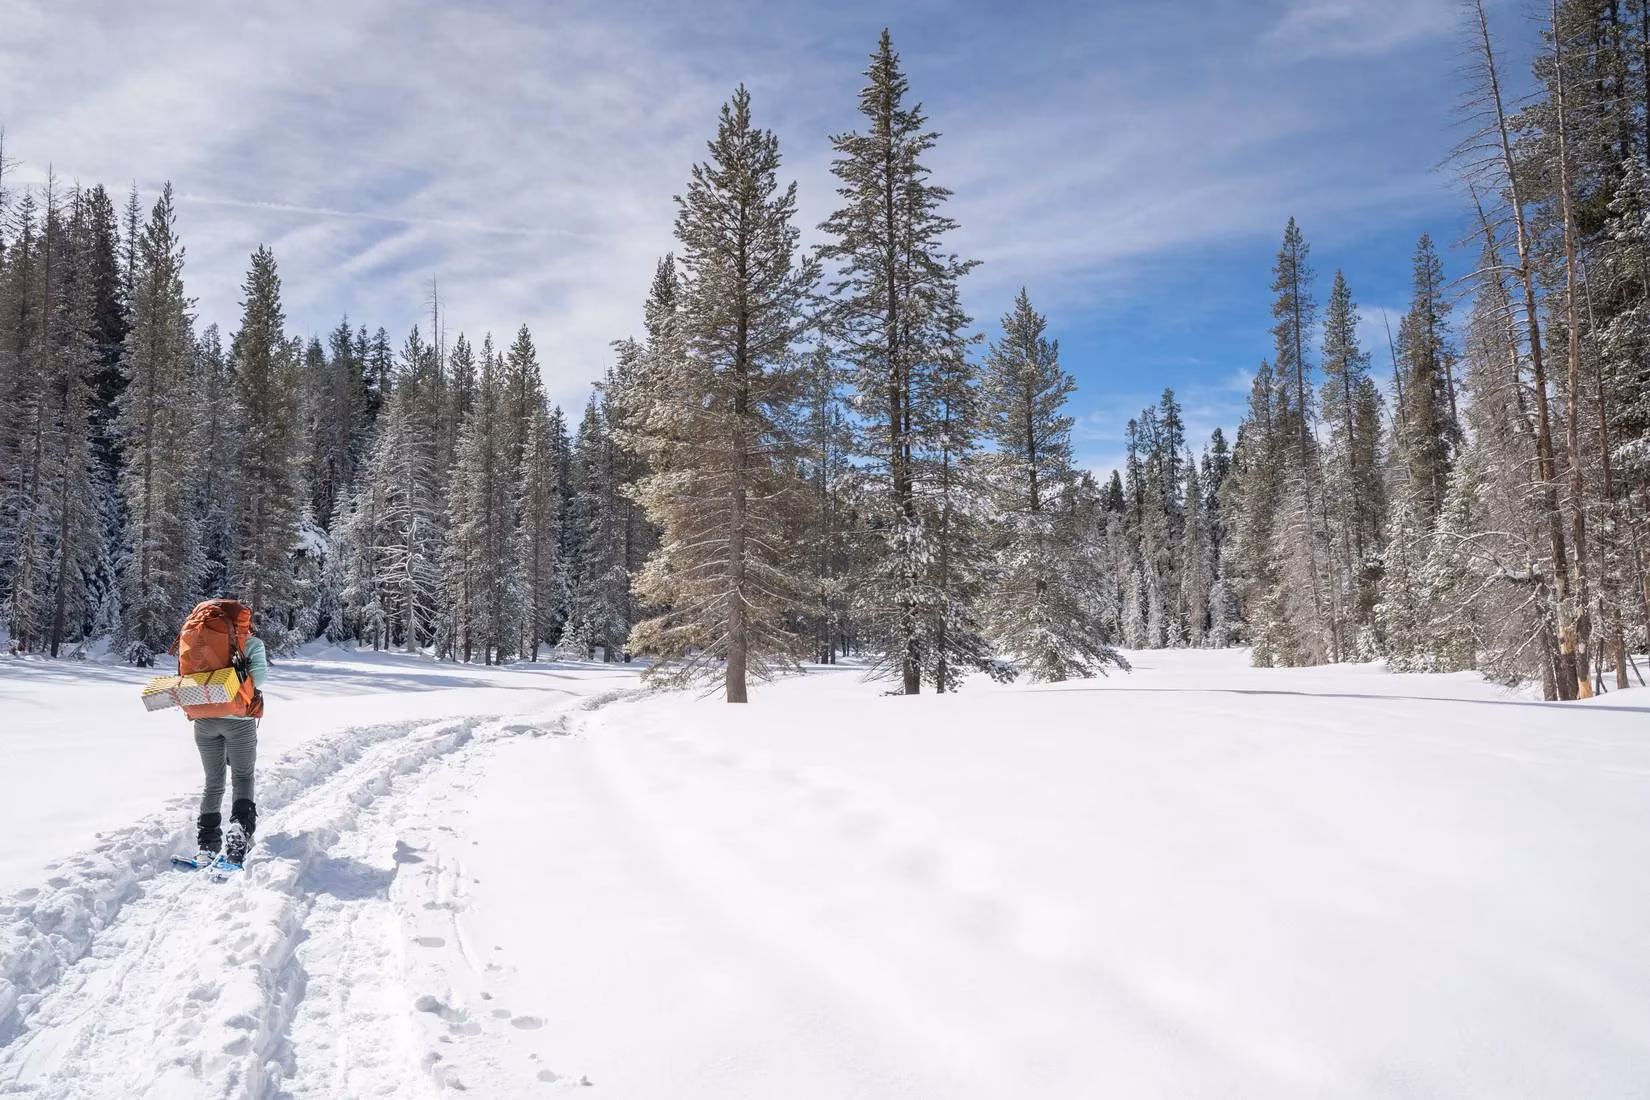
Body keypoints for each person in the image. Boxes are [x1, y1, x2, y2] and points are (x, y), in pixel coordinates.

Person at [176, 599, 268, 866]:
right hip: (238, 719)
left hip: (203, 720)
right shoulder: (251, 643)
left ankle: (206, 845)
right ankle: (239, 836)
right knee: (242, 776)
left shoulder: (198, 638)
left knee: (213, 782)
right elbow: (260, 680)